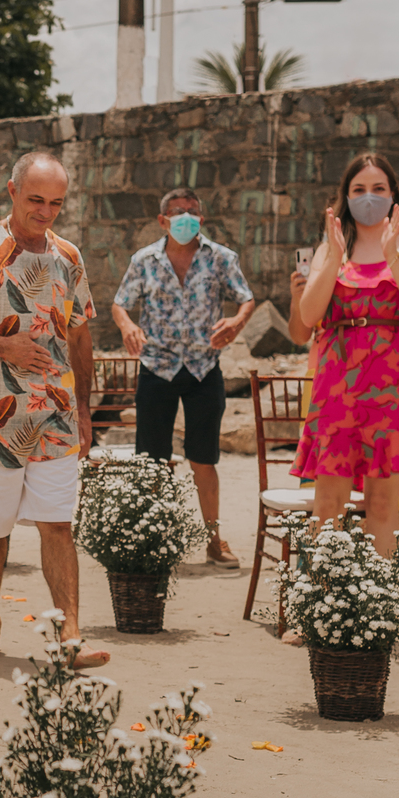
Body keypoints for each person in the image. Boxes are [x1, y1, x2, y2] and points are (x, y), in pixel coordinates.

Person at [0, 151, 109, 668]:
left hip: (56, 413)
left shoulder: (68, 256)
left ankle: (70, 635)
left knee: (58, 523)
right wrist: (0, 346)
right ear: (12, 191)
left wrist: (85, 410)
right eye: (36, 200)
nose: (46, 212)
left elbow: (80, 336)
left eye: (56, 203)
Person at [293, 150, 399, 557]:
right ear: (345, 196)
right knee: (328, 501)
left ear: (393, 195)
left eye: (378, 188)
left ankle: (379, 594)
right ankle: (321, 593)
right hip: (338, 387)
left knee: (382, 504)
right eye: (359, 189)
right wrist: (335, 257)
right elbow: (308, 315)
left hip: (394, 389)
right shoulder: (329, 249)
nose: (369, 197)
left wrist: (392, 256)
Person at [111, 188, 256, 569]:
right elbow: (120, 303)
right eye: (178, 211)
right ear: (163, 220)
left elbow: (245, 297)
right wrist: (127, 326)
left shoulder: (221, 258)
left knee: (203, 459)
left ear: (202, 219)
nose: (186, 217)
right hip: (156, 367)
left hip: (203, 368)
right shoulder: (144, 260)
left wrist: (237, 322)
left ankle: (214, 540)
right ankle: (152, 539)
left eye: (192, 211)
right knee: (152, 461)